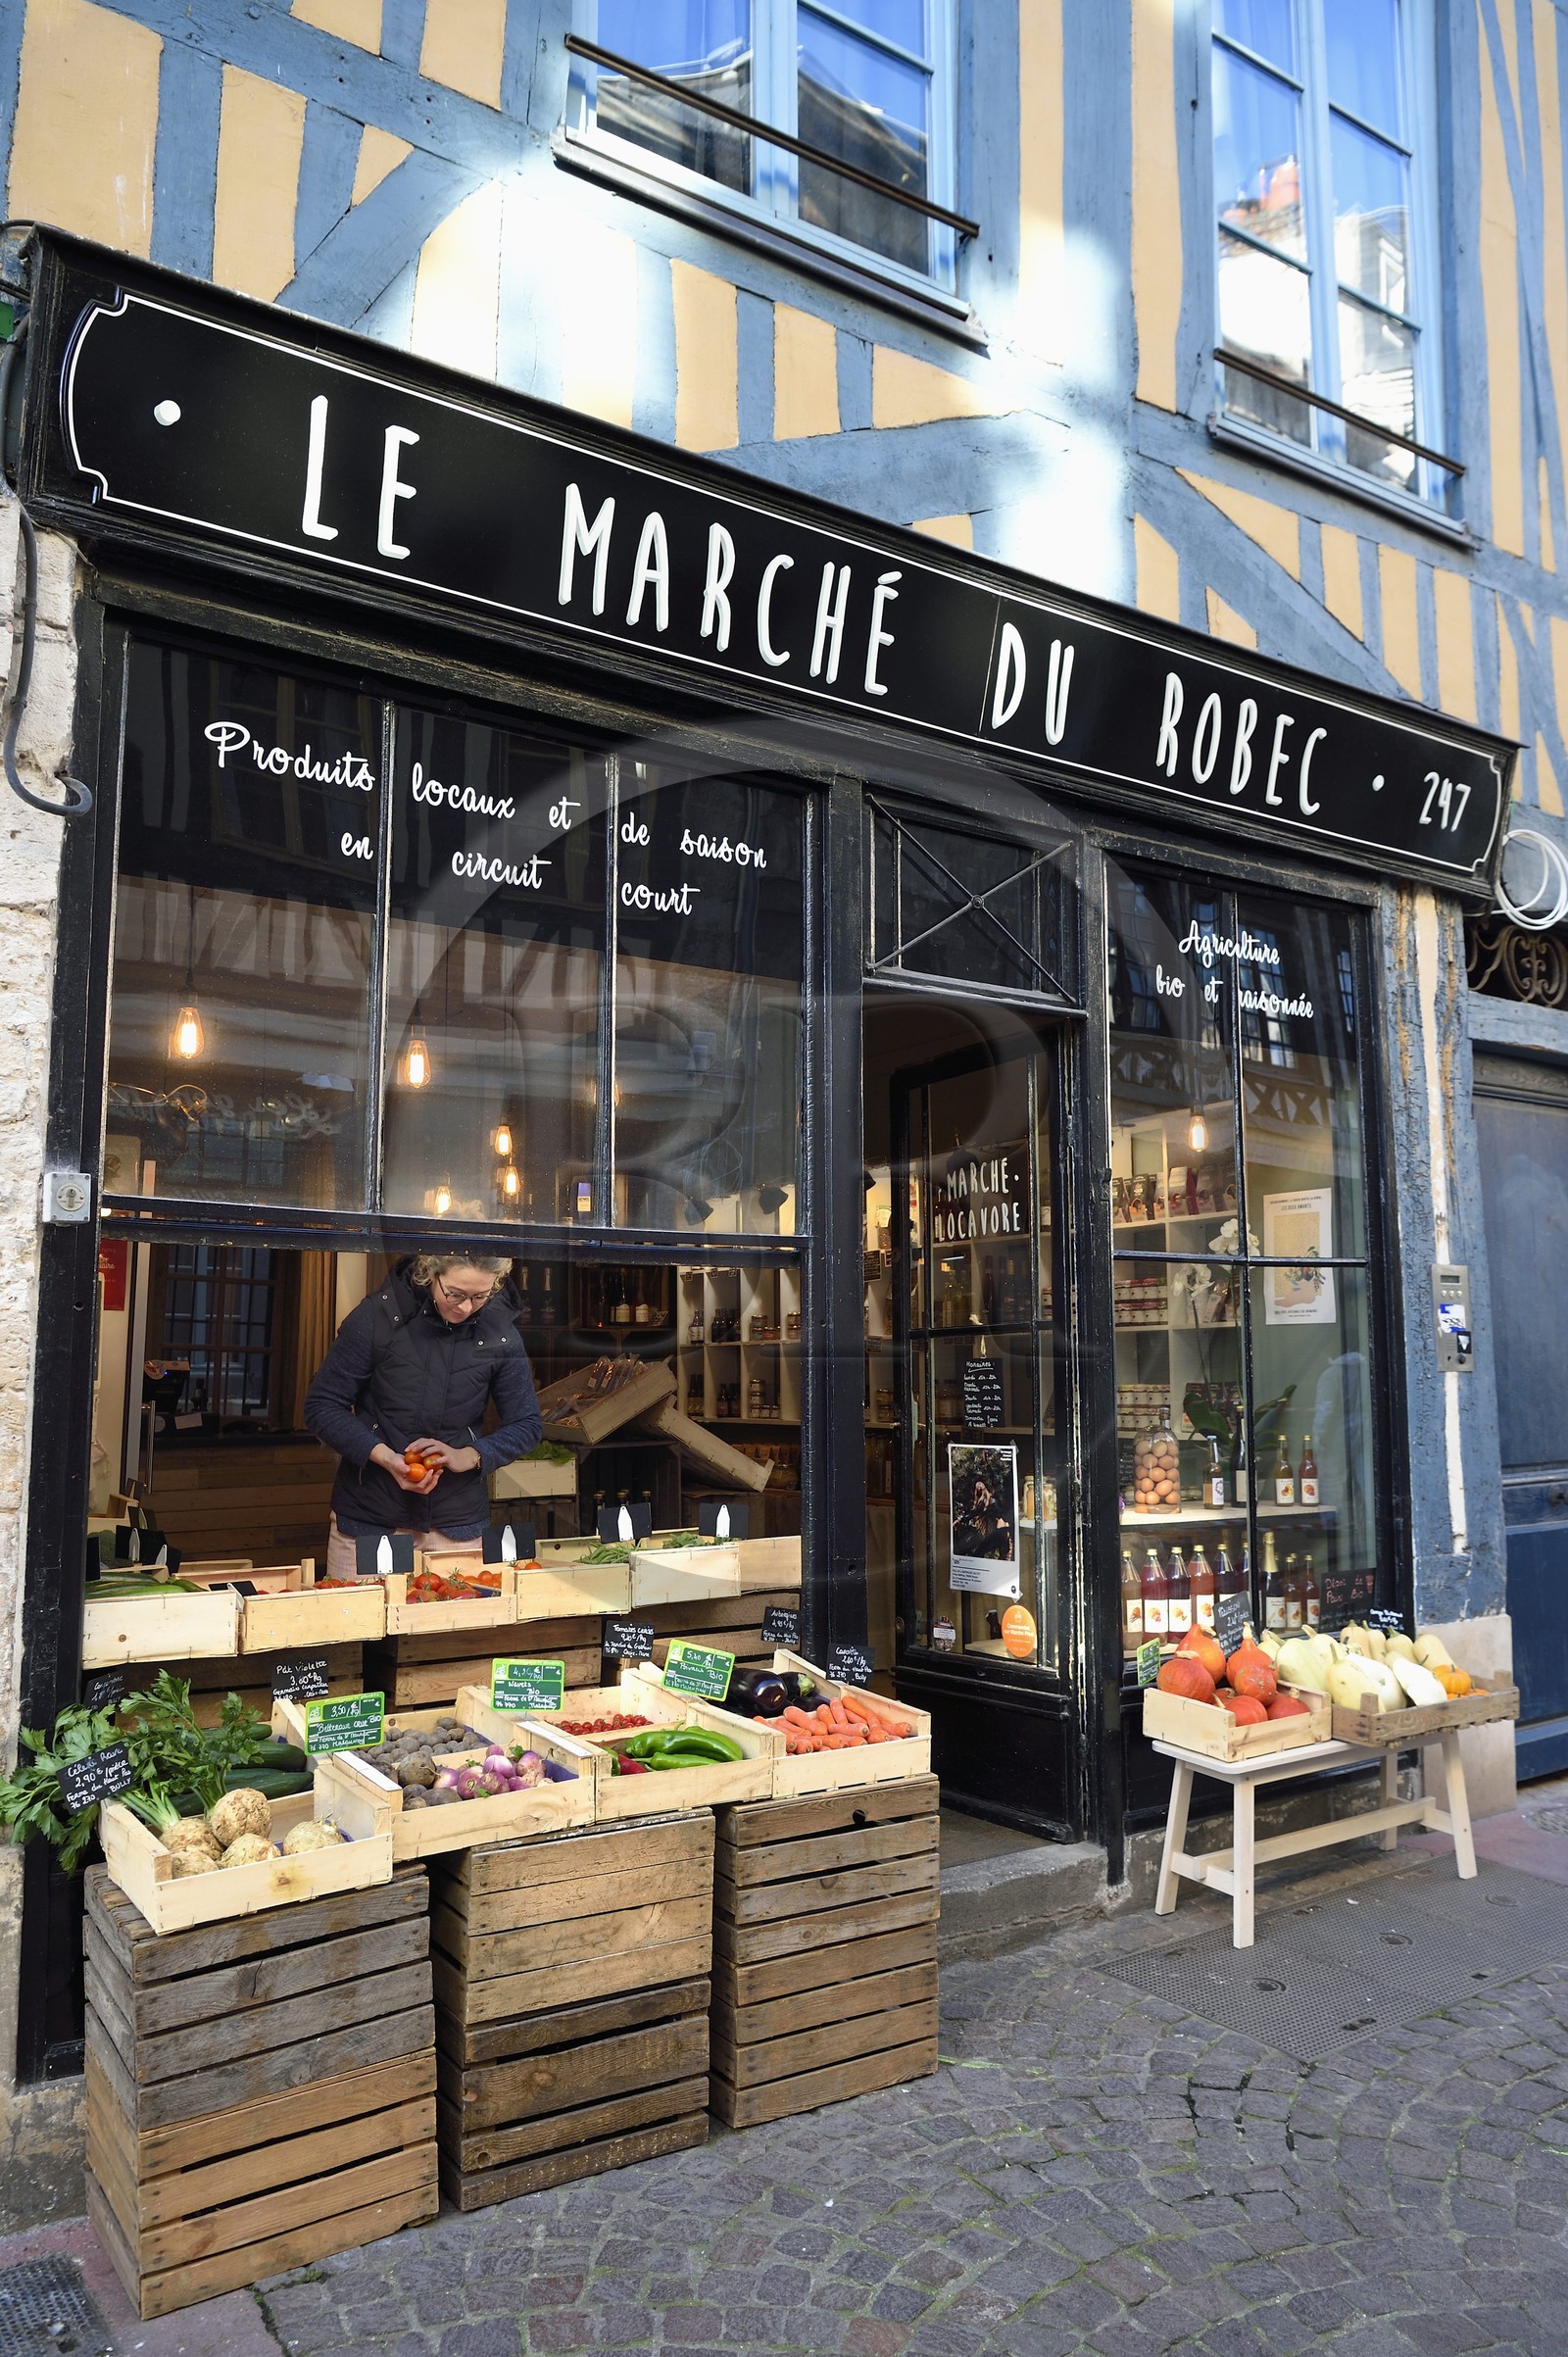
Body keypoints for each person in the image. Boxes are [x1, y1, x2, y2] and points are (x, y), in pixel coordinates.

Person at [305, 1251, 542, 1581]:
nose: (465, 1307)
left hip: (457, 1525)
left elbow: (527, 1424)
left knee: (452, 1630)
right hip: (371, 1518)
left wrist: (471, 1455)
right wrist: (386, 1458)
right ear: (431, 1274)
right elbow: (322, 1405)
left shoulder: (501, 1333)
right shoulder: (377, 1316)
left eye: (480, 1296)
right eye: (455, 1294)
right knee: (363, 1625)